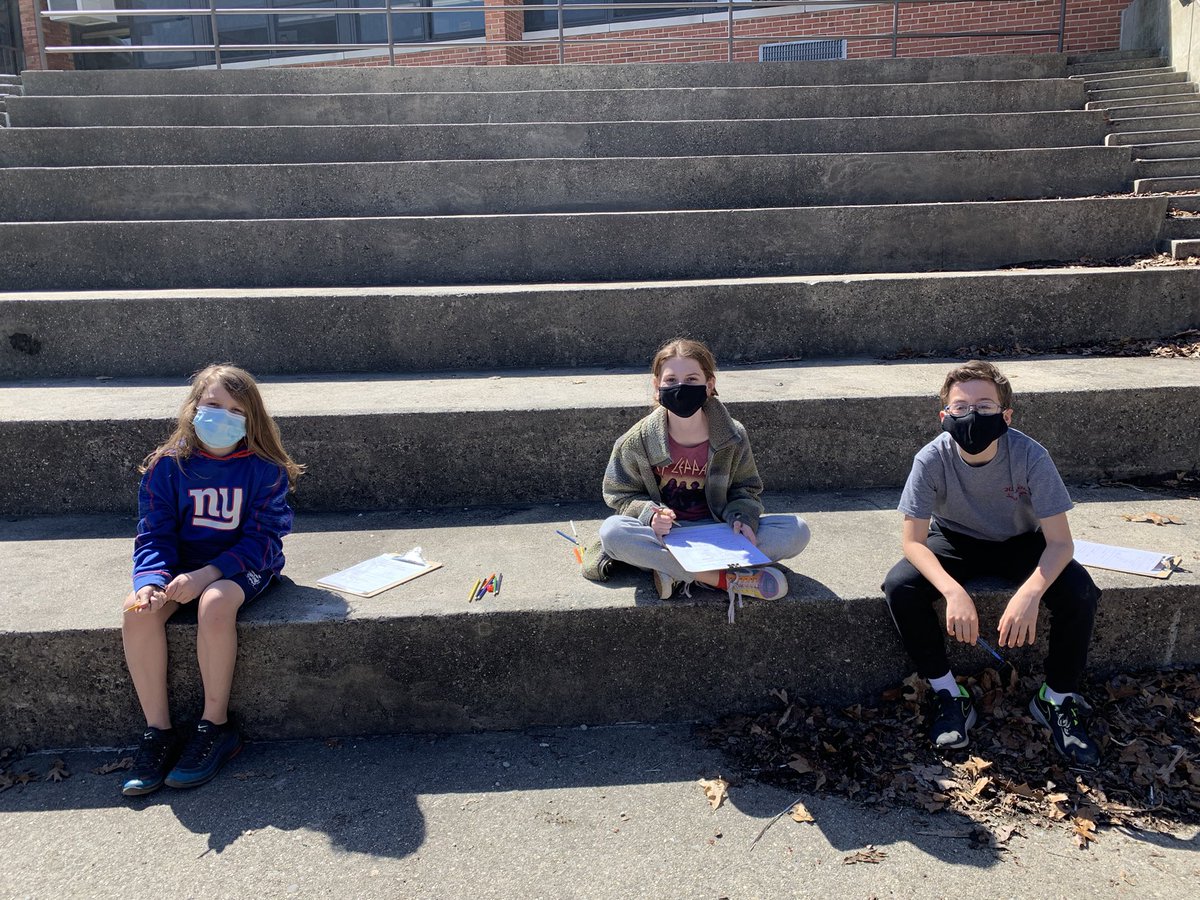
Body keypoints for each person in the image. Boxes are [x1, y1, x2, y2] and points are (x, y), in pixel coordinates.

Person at [882, 360, 1100, 765]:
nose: (973, 415)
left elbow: (1060, 543)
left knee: (1080, 591)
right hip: (954, 539)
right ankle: (949, 692)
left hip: (1019, 541)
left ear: (1006, 414)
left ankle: (1056, 698)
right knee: (900, 587)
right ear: (944, 415)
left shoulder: (1031, 456)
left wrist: (1030, 592)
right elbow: (912, 542)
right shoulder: (931, 458)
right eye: (961, 407)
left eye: (985, 405)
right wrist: (952, 590)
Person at [119, 364, 304, 796]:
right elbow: (154, 533)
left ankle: (215, 725)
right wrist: (150, 579)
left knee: (215, 603)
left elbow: (264, 538)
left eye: (237, 410)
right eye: (214, 405)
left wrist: (208, 573)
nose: (223, 417)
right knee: (136, 612)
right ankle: (158, 732)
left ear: (251, 418)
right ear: (194, 408)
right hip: (179, 569)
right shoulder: (165, 468)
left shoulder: (265, 468)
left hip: (242, 566)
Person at [595, 338, 810, 619]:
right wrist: (649, 514)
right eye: (671, 379)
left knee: (796, 530)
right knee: (613, 533)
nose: (680, 387)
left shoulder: (733, 435)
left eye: (692, 378)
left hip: (719, 532)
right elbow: (620, 494)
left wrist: (743, 518)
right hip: (668, 537)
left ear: (709, 384)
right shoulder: (635, 441)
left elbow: (746, 489)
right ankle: (725, 579)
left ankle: (673, 572)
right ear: (657, 385)